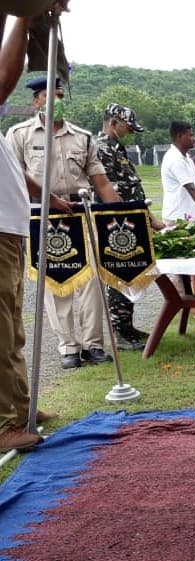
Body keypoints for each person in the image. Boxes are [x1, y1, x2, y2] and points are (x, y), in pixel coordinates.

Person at [8, 75, 123, 370]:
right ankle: (68, 347)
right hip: (43, 215)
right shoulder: (20, 135)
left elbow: (101, 182)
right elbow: (14, 179)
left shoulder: (83, 137)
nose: (55, 101)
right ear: (36, 101)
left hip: (80, 210)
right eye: (48, 96)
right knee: (55, 281)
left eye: (59, 95)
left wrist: (123, 213)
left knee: (92, 278)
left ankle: (93, 345)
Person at [0, 6, 69, 451]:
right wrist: (21, 17)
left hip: (10, 226)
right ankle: (5, 424)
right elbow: (3, 80)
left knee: (12, 324)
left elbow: (9, 163)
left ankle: (18, 405)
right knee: (0, 326)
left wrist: (48, 196)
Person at [96, 102, 159, 351]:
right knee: (118, 274)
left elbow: (133, 189)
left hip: (130, 220)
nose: (129, 132)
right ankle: (119, 332)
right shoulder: (101, 150)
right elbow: (109, 190)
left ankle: (127, 327)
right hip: (116, 223)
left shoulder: (118, 149)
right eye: (127, 127)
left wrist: (150, 220)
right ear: (113, 123)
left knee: (129, 272)